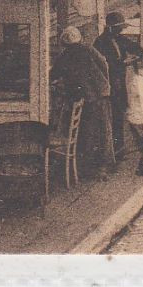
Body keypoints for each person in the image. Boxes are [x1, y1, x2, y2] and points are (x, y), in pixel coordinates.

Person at [51, 26, 114, 180]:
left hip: (86, 98)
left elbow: (52, 75)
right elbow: (104, 64)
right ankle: (103, 168)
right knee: (103, 131)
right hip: (101, 94)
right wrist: (104, 84)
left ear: (64, 43)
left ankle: (86, 169)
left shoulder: (64, 56)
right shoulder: (89, 49)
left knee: (88, 133)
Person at [92, 12, 142, 160]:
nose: (122, 30)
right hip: (109, 85)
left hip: (119, 84)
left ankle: (119, 150)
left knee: (120, 115)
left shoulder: (119, 39)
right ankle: (111, 152)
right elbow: (104, 65)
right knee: (111, 117)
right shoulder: (100, 43)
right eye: (119, 28)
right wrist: (123, 63)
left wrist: (138, 53)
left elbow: (133, 46)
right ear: (111, 28)